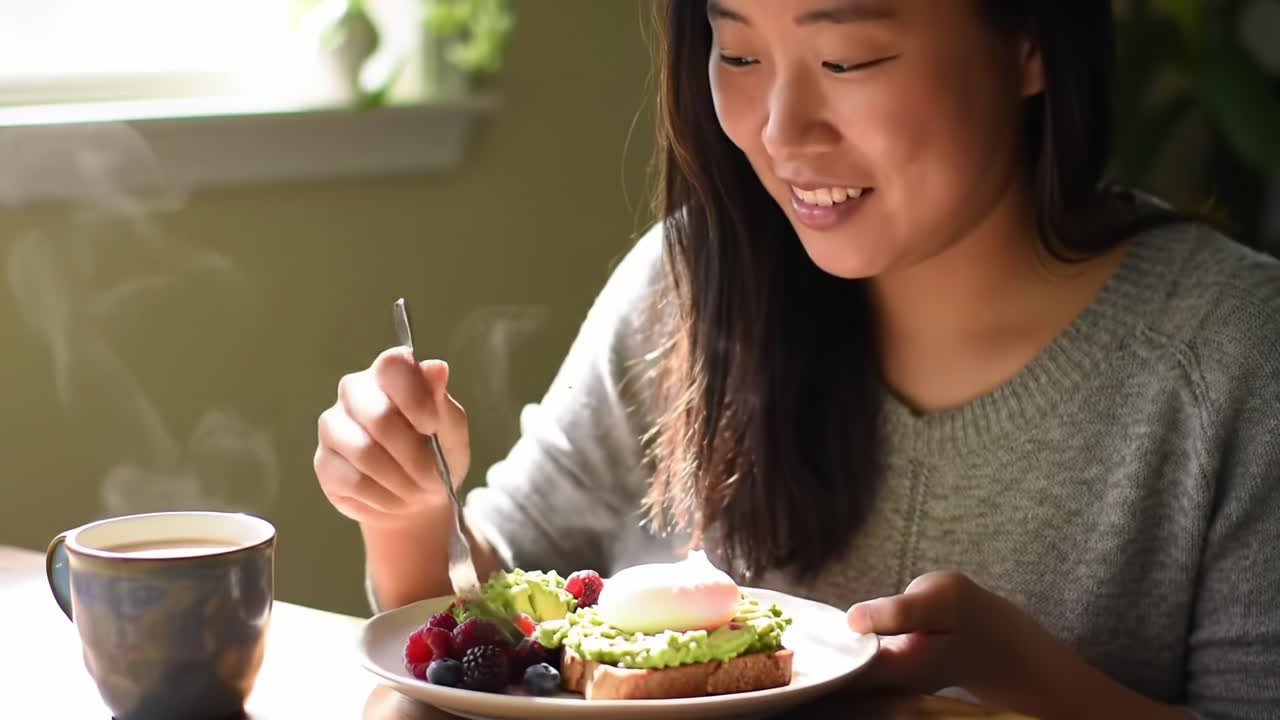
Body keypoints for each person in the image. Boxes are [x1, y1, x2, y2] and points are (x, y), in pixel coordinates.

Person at [313, 1, 1280, 718]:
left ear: (1028, 40)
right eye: (736, 51)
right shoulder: (692, 283)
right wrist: (410, 513)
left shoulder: (1232, 354)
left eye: (849, 60)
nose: (779, 131)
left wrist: (1009, 669)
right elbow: (482, 627)